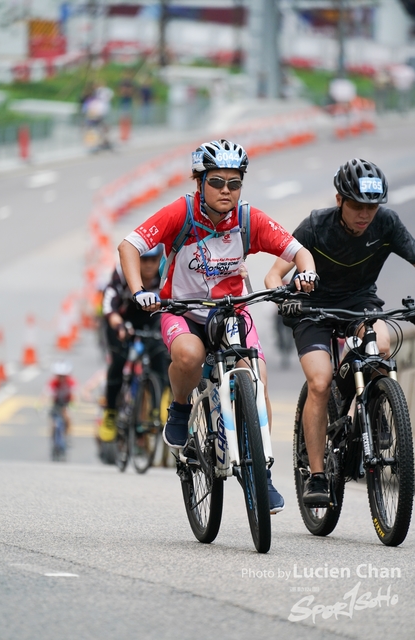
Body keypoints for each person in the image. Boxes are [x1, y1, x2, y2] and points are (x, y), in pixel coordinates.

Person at [118, 139, 318, 514]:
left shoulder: (247, 218)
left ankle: (262, 472)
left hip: (231, 313)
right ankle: (179, 409)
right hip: (182, 310)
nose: (226, 191)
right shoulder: (180, 212)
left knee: (256, 382)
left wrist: (307, 271)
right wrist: (139, 291)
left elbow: (297, 250)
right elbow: (128, 246)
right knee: (189, 355)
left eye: (234, 183)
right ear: (200, 182)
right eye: (217, 182)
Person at [265, 158, 415, 507]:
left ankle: (371, 410)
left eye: (372, 207)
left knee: (381, 344)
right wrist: (281, 298)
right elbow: (274, 274)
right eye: (357, 207)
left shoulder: (387, 223)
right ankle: (317, 475)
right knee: (319, 382)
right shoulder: (316, 225)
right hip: (312, 310)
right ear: (339, 200)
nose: (365, 215)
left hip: (360, 304)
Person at [99, 244, 170, 444]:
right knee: (118, 362)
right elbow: (109, 303)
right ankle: (111, 413)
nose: (148, 266)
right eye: (143, 260)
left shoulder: (165, 274)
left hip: (149, 318)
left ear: (159, 260)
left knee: (160, 355)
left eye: (152, 261)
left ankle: (158, 407)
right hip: (121, 321)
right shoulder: (123, 273)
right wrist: (118, 325)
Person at [47, 361, 75, 440]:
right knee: (53, 423)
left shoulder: (70, 382)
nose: (61, 378)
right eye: (59, 376)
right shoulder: (53, 382)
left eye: (63, 376)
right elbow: (46, 394)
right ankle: (53, 439)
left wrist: (73, 404)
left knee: (67, 418)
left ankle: (66, 436)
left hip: (66, 403)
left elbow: (74, 394)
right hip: (56, 404)